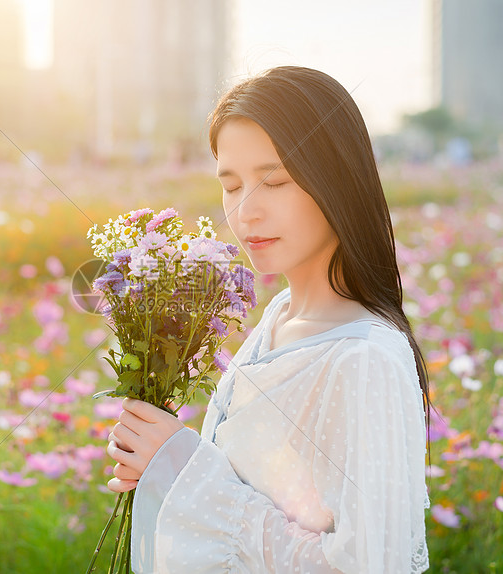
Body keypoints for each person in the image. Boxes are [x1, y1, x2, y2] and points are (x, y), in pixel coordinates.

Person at [105, 66, 434, 573]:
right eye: (231, 186)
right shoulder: (279, 316)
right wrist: (161, 462)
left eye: (274, 180)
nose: (245, 212)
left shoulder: (364, 359)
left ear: (337, 180)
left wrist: (185, 470)